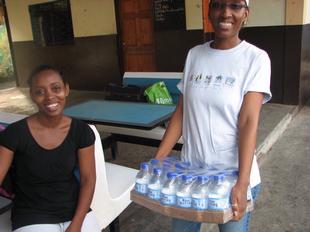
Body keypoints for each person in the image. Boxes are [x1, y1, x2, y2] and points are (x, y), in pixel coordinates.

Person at [155, 0, 271, 231]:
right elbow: (182, 111)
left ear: (246, 14)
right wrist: (158, 159)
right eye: (218, 4)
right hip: (189, 175)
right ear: (209, 11)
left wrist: (242, 182)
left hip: (229, 178)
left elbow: (248, 122)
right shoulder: (195, 55)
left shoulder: (255, 59)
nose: (225, 13)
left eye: (235, 6)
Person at [0, 65, 100, 232]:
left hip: (74, 210)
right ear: (31, 95)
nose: (49, 97)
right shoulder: (15, 133)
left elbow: (88, 179)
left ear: (66, 89)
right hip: (31, 215)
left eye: (56, 88)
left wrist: (76, 224)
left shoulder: (81, 131)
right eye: (40, 92)